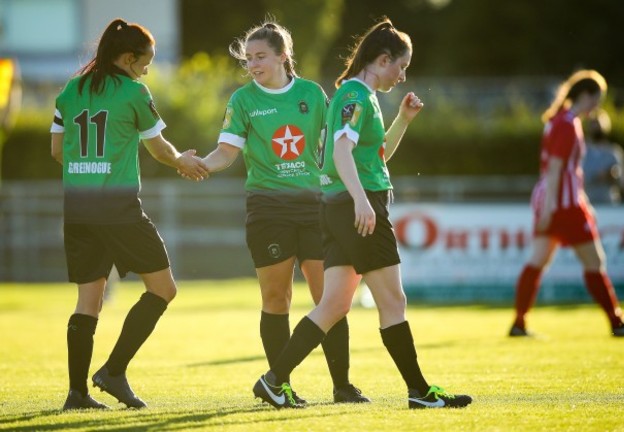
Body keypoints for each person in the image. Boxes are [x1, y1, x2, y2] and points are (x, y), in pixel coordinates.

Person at [251, 18, 473, 409]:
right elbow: (341, 153)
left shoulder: (360, 96)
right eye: (400, 66)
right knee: (394, 302)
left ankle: (272, 380)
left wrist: (403, 119)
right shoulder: (355, 95)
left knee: (334, 306)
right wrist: (361, 201)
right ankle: (420, 392)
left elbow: (377, 153)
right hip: (355, 207)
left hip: (341, 207)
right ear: (382, 59)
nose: (402, 76)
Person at [200, 21, 368, 404]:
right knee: (277, 297)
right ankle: (281, 387)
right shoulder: (243, 100)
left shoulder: (313, 94)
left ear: (282, 56)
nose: (253, 65)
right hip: (268, 208)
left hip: (315, 208)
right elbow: (225, 153)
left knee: (329, 298)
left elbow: (336, 147)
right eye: (249, 59)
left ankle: (342, 386)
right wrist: (198, 165)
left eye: (260, 57)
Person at [50, 18, 209, 410]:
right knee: (163, 290)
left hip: (78, 209)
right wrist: (183, 163)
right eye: (145, 62)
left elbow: (57, 151)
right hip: (118, 208)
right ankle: (113, 372)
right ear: (127, 58)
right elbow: (158, 149)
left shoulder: (70, 90)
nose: (147, 69)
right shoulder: (134, 92)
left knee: (88, 302)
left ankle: (76, 394)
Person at [509, 70, 624, 338]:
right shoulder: (567, 123)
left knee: (537, 261)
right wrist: (552, 208)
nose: (598, 105)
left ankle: (519, 323)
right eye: (598, 99)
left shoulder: (559, 120)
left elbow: (560, 171)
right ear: (586, 96)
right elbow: (556, 171)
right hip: (563, 205)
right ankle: (617, 323)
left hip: (556, 201)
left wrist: (568, 203)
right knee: (595, 262)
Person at [582, 109, 624, 205]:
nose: (596, 127)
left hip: (610, 205)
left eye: (598, 124)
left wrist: (613, 176)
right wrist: (596, 176)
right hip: (588, 204)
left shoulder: (614, 152)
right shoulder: (582, 152)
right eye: (593, 124)